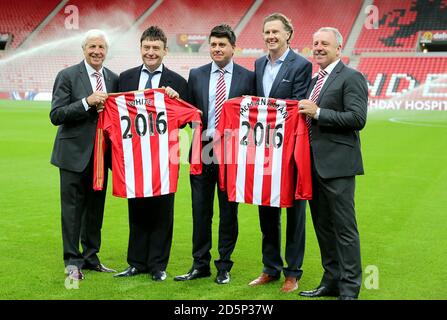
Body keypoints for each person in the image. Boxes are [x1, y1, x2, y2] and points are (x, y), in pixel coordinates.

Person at [174, 24, 255, 284]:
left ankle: (224, 265)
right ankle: (200, 264)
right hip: (203, 149)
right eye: (214, 44)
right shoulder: (196, 74)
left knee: (228, 211)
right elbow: (188, 111)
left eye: (222, 45)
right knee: (201, 210)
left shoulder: (247, 77)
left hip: (232, 149)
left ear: (234, 48)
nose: (217, 49)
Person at [298, 27, 367, 300]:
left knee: (345, 229)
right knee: (323, 227)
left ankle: (350, 289)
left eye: (324, 43)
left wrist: (319, 113)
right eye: (315, 43)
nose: (318, 47)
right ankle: (331, 281)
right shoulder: (315, 80)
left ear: (339, 48)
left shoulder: (352, 77)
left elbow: (357, 118)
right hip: (313, 166)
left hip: (338, 166)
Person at [113, 26, 187, 281]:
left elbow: (185, 121)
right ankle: (136, 262)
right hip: (135, 159)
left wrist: (175, 100)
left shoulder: (177, 82)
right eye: (147, 47)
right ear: (141, 49)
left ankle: (158, 265)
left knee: (162, 213)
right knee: (137, 211)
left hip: (165, 159)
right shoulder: (125, 78)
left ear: (165, 51)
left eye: (156, 48)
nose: (151, 52)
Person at [248, 13, 312, 293]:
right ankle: (270, 267)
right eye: (267, 32)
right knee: (267, 209)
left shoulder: (302, 65)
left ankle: (293, 273)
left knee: (295, 213)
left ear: (289, 34)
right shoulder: (258, 63)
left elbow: (297, 105)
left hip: (291, 149)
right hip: (264, 150)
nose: (270, 36)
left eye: (276, 32)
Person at [50, 29, 118, 280]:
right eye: (92, 47)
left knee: (95, 210)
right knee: (71, 210)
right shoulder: (67, 75)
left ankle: (91, 257)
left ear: (106, 51)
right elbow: (56, 115)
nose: (97, 51)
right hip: (72, 156)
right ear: (84, 49)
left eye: (101, 47)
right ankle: (72, 261)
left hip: (101, 156)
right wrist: (86, 102)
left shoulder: (114, 78)